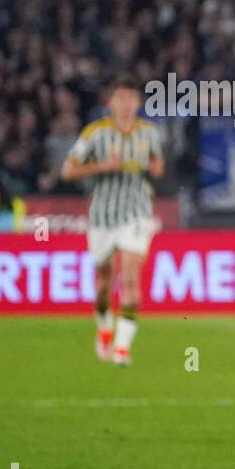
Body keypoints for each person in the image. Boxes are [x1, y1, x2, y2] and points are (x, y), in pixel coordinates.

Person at [61, 81, 165, 365]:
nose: (126, 104)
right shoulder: (95, 134)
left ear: (138, 103)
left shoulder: (149, 133)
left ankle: (122, 348)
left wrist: (154, 168)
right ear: (111, 103)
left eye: (131, 98)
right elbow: (68, 170)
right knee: (104, 284)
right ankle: (105, 330)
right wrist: (102, 167)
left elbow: (158, 165)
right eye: (121, 98)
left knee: (131, 277)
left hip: (137, 213)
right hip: (103, 217)